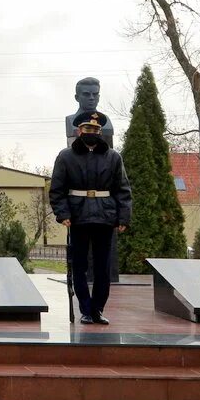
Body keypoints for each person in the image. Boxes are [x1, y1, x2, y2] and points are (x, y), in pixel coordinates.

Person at [50, 111, 131, 325]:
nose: (91, 132)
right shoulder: (65, 156)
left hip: (105, 216)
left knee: (103, 266)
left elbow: (122, 189)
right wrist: (63, 214)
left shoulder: (113, 156)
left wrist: (123, 217)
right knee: (79, 265)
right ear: (79, 131)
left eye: (95, 130)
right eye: (87, 129)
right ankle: (85, 309)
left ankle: (97, 309)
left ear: (100, 132)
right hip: (78, 217)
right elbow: (57, 190)